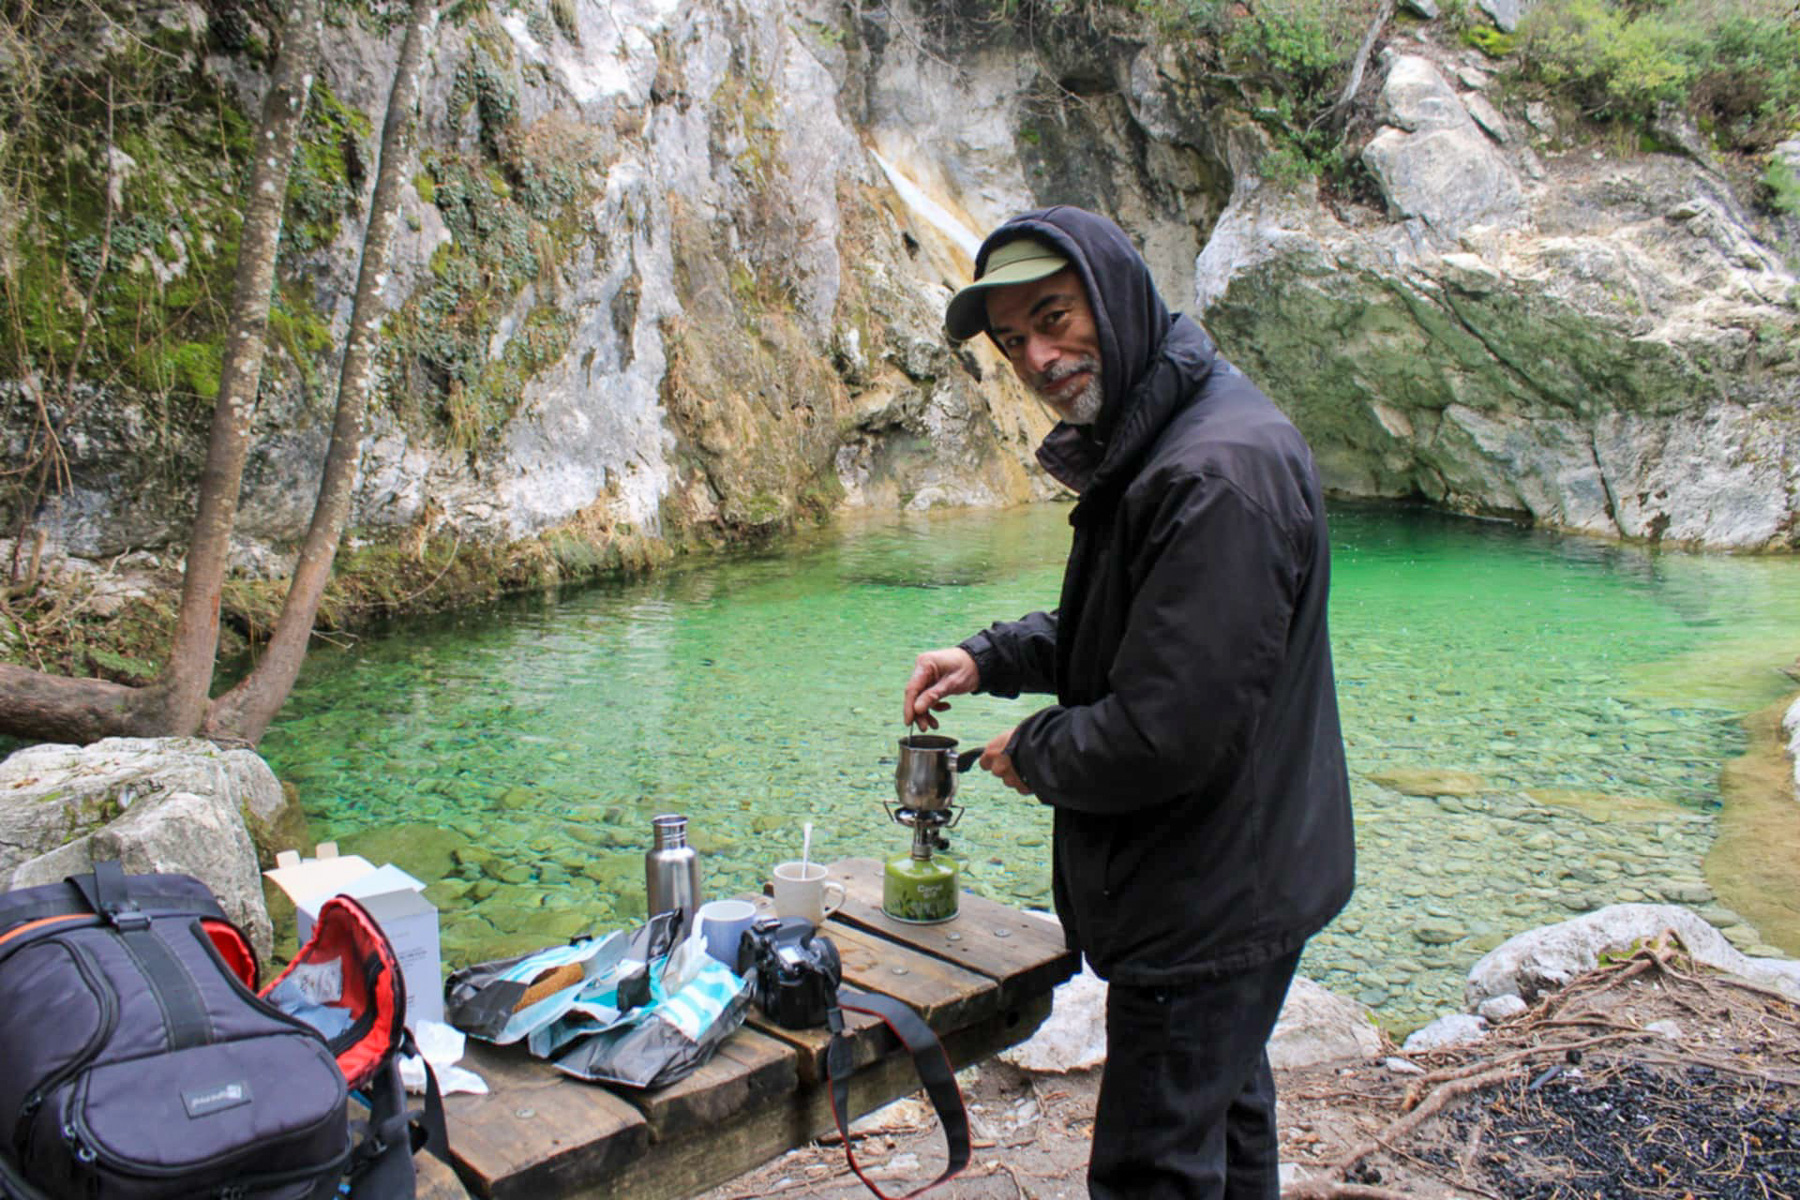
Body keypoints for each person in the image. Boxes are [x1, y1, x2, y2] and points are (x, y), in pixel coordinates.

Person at [901, 206, 1355, 1200]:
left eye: (1056, 317)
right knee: (1223, 1114)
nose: (1039, 355)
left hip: (1209, 895)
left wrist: (1038, 749)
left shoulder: (1213, 472)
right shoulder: (1171, 434)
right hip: (1247, 871)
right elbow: (1141, 634)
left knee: (1153, 1167)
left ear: (1115, 296)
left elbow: (1164, 730)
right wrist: (990, 659)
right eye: (1014, 340)